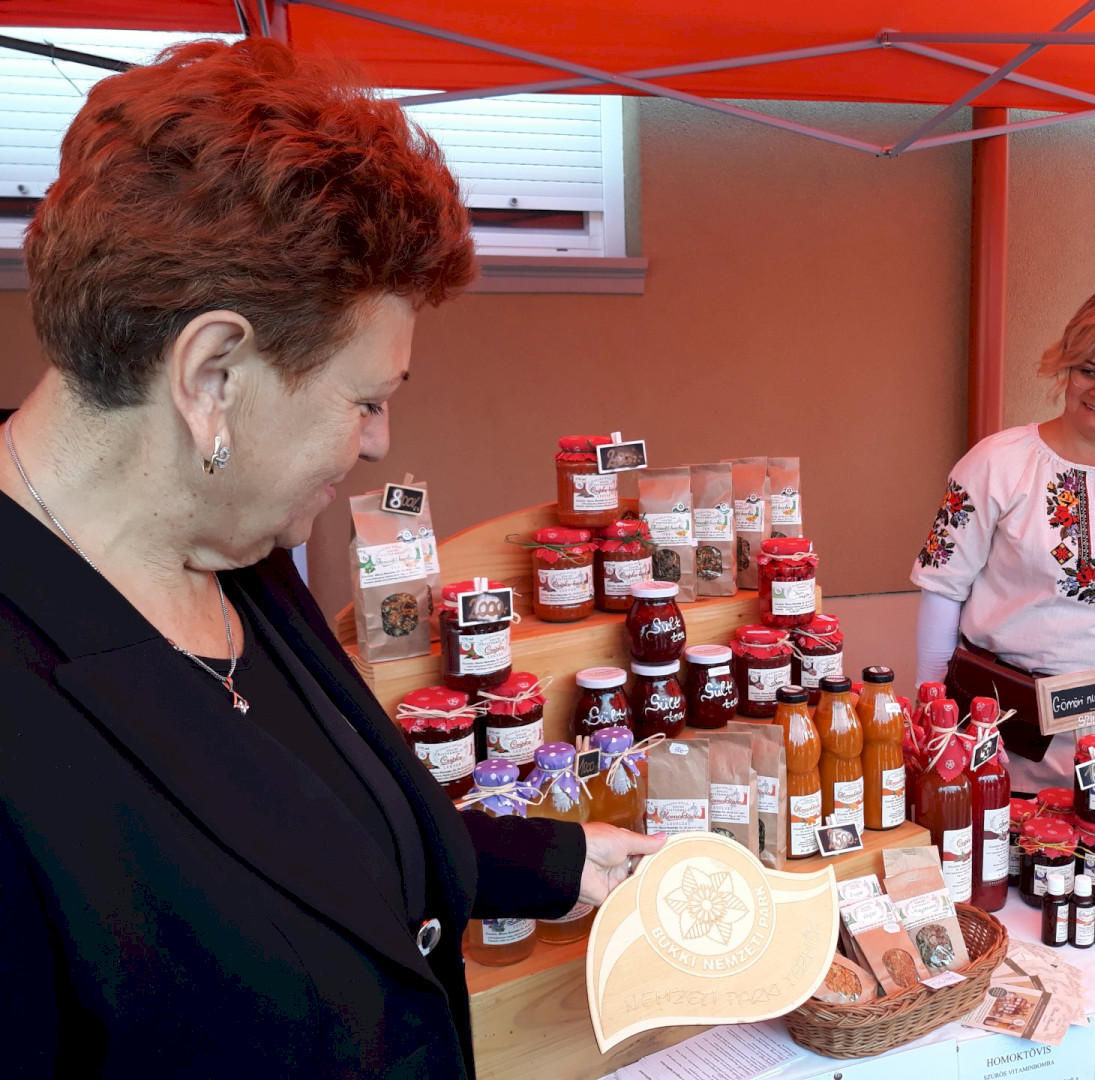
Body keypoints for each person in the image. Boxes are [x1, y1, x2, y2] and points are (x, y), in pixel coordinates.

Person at [0, 39, 661, 1077]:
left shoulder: (231, 541)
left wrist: (551, 861)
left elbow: (307, 827)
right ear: (212, 378)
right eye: (366, 400)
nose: (380, 442)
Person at [912, 290, 1095, 793]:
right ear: (1067, 365)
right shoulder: (996, 463)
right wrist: (933, 716)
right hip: (997, 730)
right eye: (1088, 370)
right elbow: (942, 589)